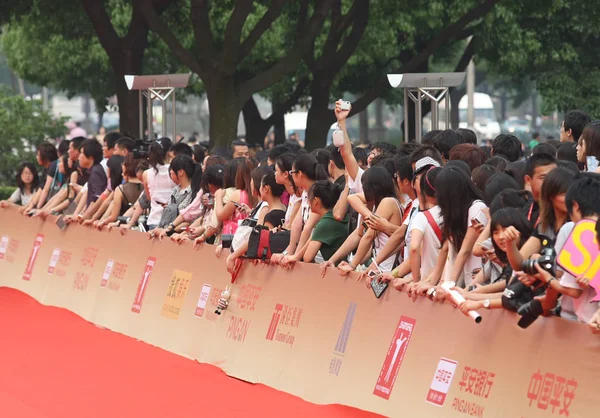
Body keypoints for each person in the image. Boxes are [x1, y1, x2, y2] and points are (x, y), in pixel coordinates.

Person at [515, 175, 600, 323]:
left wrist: (547, 278)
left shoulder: (579, 232)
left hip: (586, 323)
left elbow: (573, 290)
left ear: (575, 206)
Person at [436, 166, 487, 288]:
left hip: (479, 283)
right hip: (468, 282)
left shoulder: (477, 208)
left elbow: (465, 250)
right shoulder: (457, 214)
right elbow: (451, 254)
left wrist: (449, 285)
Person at [77, 139, 108, 219]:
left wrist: (85, 216)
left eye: (82, 153)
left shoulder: (96, 172)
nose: (79, 157)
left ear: (90, 157)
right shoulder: (93, 171)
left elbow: (97, 197)